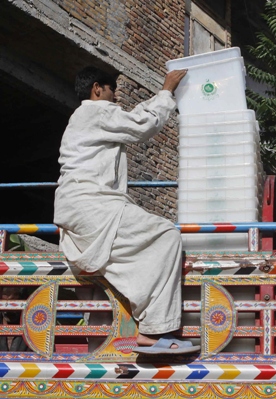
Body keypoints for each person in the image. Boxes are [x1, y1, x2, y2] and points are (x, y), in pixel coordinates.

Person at [54, 66, 198, 354]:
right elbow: (140, 124)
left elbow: (132, 118)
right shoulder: (92, 112)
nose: (115, 96)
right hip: (92, 203)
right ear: (97, 89)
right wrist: (167, 91)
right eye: (112, 90)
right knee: (165, 235)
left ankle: (112, 336)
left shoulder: (87, 119)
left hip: (83, 207)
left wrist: (160, 97)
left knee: (122, 258)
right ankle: (155, 332)